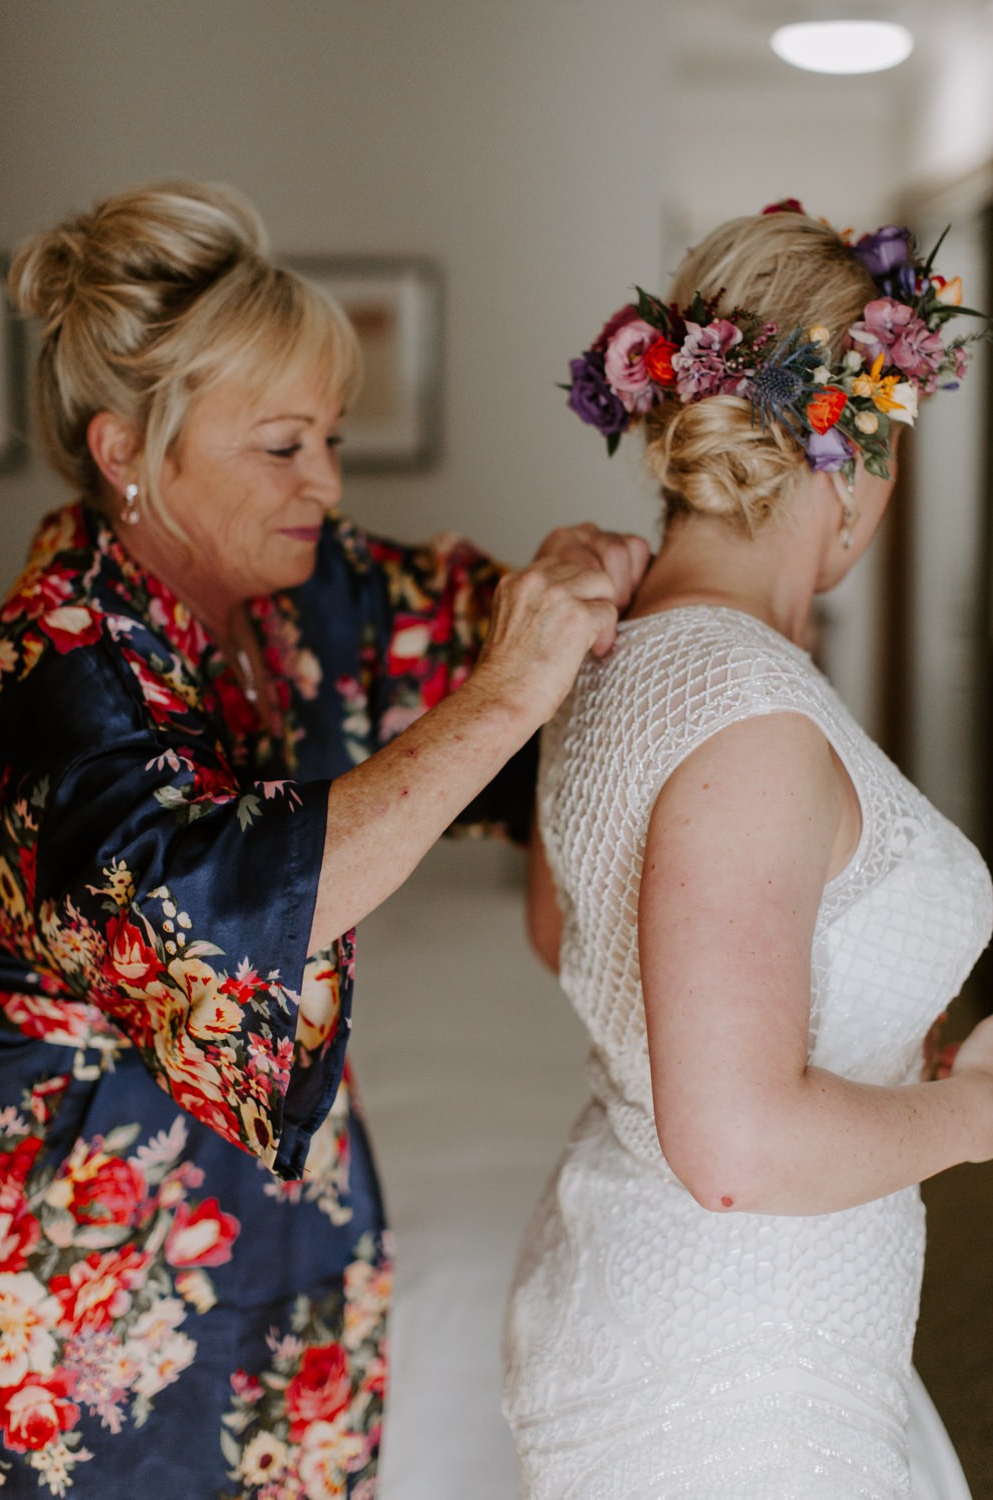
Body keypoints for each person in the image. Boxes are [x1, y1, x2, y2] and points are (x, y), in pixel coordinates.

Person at [0, 180, 648, 1498]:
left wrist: (620, 587)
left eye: (334, 440)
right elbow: (229, 925)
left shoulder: (290, 595)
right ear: (129, 451)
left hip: (292, 1247)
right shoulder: (51, 679)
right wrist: (511, 688)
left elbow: (481, 620)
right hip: (93, 1309)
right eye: (284, 447)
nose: (329, 484)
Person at [501, 203, 993, 1498]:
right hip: (731, 1373)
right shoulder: (748, 708)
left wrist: (885, 1045)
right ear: (861, 448)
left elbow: (573, 935)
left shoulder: (612, 651)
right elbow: (737, 1148)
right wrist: (973, 1111)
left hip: (710, 1317)